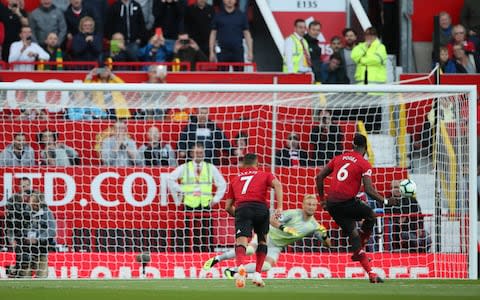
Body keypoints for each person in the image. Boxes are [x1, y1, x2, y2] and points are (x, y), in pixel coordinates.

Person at [316, 133, 392, 283]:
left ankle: (371, 273)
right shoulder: (364, 163)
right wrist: (387, 201)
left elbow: (319, 177)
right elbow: (369, 190)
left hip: (332, 204)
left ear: (352, 145)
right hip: (346, 202)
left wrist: (323, 200)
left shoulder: (339, 158)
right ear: (365, 148)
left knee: (354, 235)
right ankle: (362, 245)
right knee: (371, 215)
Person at [203, 194, 330, 279]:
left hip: (276, 246)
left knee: (267, 266)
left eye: (313, 205)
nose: (311, 207)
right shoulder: (293, 214)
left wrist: (325, 236)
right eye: (309, 204)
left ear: (316, 207)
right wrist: (284, 228)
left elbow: (328, 245)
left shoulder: (315, 226)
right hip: (266, 235)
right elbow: (271, 219)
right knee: (250, 250)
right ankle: (217, 259)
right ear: (303, 205)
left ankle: (233, 271)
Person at [224, 153, 283, 288]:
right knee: (262, 240)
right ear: (257, 164)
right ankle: (257, 274)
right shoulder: (265, 174)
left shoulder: (235, 179)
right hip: (261, 209)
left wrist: (239, 215)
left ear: (243, 165)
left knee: (242, 242)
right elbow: (278, 185)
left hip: (243, 208)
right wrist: (279, 207)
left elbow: (227, 207)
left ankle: (240, 268)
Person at [168, 142, 226, 252]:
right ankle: (189, 254)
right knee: (189, 232)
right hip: (190, 203)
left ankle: (207, 253)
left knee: (206, 231)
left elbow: (222, 183)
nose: (199, 154)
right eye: (196, 152)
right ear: (191, 153)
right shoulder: (185, 167)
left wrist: (216, 199)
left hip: (205, 203)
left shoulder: (210, 168)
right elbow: (170, 179)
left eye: (201, 152)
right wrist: (182, 190)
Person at [386, 180, 431, 252]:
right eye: (394, 187)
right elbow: (389, 217)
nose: (396, 190)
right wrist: (398, 220)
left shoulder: (411, 200)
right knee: (415, 240)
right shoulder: (388, 201)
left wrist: (420, 228)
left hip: (414, 229)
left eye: (398, 187)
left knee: (428, 239)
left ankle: (419, 255)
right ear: (390, 189)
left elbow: (420, 215)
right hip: (400, 231)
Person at [209, 0, 253, 65]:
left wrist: (250, 51)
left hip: (238, 51)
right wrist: (211, 52)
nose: (229, 1)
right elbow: (213, 34)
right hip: (222, 51)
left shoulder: (241, 16)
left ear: (236, 1)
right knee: (222, 74)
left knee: (239, 75)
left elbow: (247, 34)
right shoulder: (218, 16)